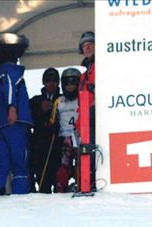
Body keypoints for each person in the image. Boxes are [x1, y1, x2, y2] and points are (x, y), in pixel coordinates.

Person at [0, 32, 33, 195]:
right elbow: (11, 87)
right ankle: (21, 196)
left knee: (2, 164)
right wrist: (12, 108)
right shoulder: (11, 70)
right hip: (14, 124)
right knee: (20, 165)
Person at [29, 67, 60, 193]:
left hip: (58, 143)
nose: (51, 83)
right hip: (40, 145)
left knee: (59, 179)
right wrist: (40, 110)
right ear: (43, 82)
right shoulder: (35, 100)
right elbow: (29, 120)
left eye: (54, 80)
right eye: (48, 80)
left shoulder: (63, 99)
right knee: (43, 182)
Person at [53, 67, 81, 193]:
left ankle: (81, 185)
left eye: (73, 82)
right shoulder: (59, 101)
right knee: (63, 166)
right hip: (64, 138)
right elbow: (52, 120)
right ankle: (60, 188)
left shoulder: (83, 98)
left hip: (80, 137)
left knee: (81, 163)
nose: (70, 86)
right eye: (67, 83)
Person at [77, 31, 96, 191]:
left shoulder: (102, 66)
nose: (88, 47)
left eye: (91, 44)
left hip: (100, 117)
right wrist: (78, 123)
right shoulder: (83, 76)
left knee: (95, 154)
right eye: (84, 45)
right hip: (86, 120)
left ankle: (94, 182)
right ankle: (87, 182)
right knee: (86, 154)